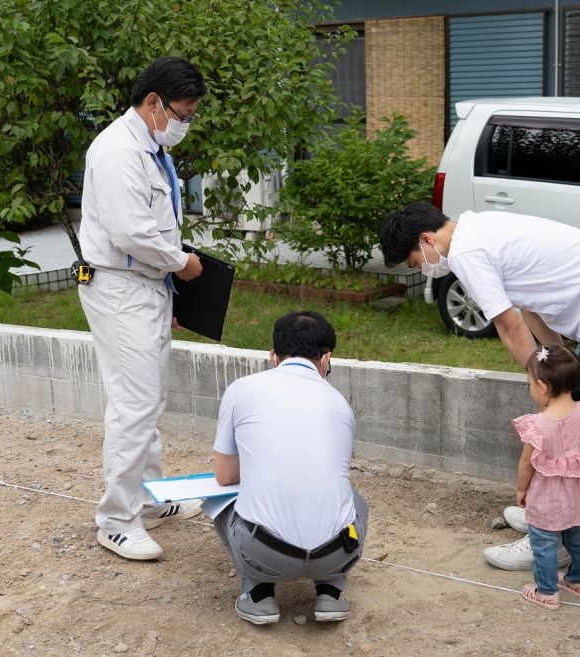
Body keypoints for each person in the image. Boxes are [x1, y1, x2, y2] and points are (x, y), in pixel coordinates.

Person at [381, 202, 580, 569]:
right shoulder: (479, 226)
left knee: (561, 428)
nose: (424, 268)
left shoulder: (465, 252)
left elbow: (508, 325)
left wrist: (545, 384)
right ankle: (551, 512)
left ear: (426, 239)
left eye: (416, 261)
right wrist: (556, 358)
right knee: (566, 422)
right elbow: (528, 307)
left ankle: (551, 537)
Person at [78, 57, 207, 560]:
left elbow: (152, 227)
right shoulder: (116, 151)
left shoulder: (149, 148)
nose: (185, 124)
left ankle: (150, 500)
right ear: (153, 102)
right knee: (133, 405)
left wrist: (169, 287)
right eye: (183, 113)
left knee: (149, 400)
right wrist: (181, 265)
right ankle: (116, 519)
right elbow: (130, 233)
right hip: (119, 287)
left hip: (145, 285)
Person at [211, 311, 368, 626]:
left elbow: (225, 476)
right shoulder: (340, 403)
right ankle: (331, 588)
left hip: (265, 553)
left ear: (273, 356)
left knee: (222, 498)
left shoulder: (241, 389)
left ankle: (257, 591)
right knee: (354, 499)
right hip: (337, 551)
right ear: (326, 359)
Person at [489, 344, 580, 611]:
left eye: (529, 382)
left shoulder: (537, 425)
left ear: (542, 386)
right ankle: (577, 581)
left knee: (544, 543)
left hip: (548, 499)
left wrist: (520, 488)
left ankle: (547, 591)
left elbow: (527, 462)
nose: (529, 388)